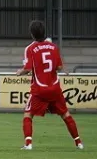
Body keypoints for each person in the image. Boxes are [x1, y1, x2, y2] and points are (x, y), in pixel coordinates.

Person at [16, 20, 83, 150]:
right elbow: (58, 67)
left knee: (28, 114)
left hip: (39, 89)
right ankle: (79, 143)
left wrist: (20, 72)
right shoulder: (53, 47)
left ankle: (28, 144)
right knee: (66, 115)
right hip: (54, 88)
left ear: (32, 34)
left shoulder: (30, 49)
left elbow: (28, 69)